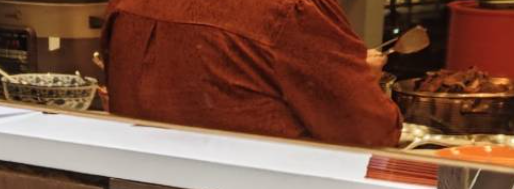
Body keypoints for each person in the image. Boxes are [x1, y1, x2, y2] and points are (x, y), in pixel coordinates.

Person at [102, 0, 403, 149]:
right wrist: (357, 78)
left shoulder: (126, 4)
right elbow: (373, 133)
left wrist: (343, 71)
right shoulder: (291, 11)